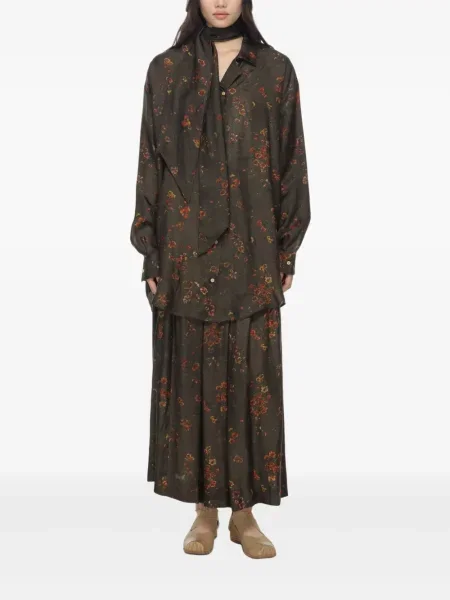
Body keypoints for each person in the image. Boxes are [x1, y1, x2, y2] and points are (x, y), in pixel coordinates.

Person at [130, 0, 311, 559]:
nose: (221, 1)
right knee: (194, 383)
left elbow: (292, 162)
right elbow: (150, 161)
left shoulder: (274, 70)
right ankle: (204, 514)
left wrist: (286, 250)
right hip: (184, 254)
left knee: (251, 382)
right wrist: (150, 253)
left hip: (253, 251)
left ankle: (245, 516)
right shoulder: (166, 70)